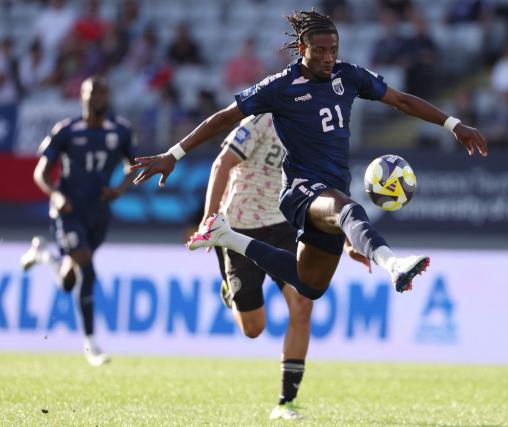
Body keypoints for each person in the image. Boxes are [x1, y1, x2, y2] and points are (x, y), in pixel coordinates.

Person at [132, 10, 487, 304]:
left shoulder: (349, 76)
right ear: (302, 47)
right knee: (349, 208)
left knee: (310, 285)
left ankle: (227, 237)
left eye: (333, 49)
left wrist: (453, 124)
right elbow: (223, 117)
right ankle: (394, 264)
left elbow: (402, 100)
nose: (328, 57)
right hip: (301, 190)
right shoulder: (280, 87)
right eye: (319, 50)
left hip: (331, 187)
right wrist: (174, 153)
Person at [196, 113, 370, 420]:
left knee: (303, 303)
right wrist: (210, 219)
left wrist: (347, 240)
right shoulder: (261, 120)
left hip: (286, 225)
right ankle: (229, 290)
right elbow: (222, 163)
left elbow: (329, 192)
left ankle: (286, 402)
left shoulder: (318, 129)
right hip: (240, 226)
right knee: (253, 328)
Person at [20, 76, 136, 367]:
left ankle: (45, 255)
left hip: (98, 213)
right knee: (87, 269)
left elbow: (133, 165)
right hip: (69, 211)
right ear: (81, 97)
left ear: (108, 97)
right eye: (90, 92)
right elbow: (40, 172)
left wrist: (119, 189)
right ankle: (91, 345)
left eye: (101, 92)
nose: (96, 97)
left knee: (69, 281)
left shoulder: (120, 131)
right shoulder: (66, 130)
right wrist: (56, 195)